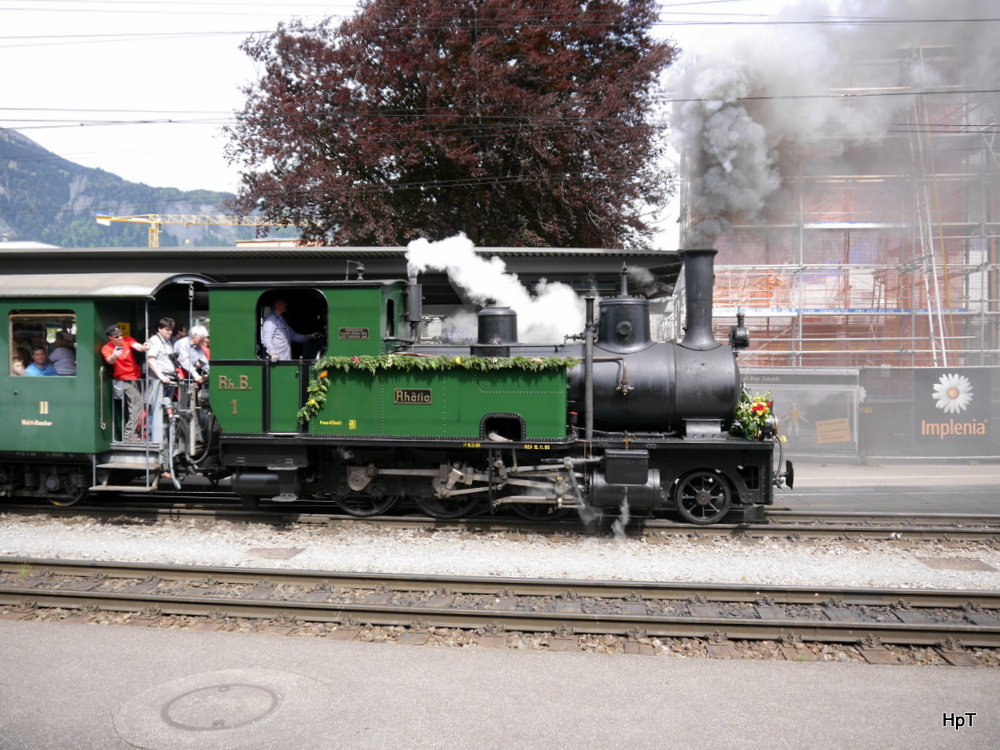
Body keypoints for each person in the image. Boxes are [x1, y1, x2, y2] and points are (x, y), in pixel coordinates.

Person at [102, 324, 147, 441]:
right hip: (125, 380)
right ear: (109, 337)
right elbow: (109, 361)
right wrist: (114, 356)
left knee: (136, 405)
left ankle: (134, 432)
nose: (120, 338)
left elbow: (136, 346)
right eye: (117, 336)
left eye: (121, 335)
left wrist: (144, 347)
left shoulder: (127, 340)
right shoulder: (107, 348)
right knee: (137, 404)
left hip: (136, 377)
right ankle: (129, 434)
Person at [144, 318, 177, 456]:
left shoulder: (167, 341)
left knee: (163, 410)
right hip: (159, 380)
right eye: (166, 330)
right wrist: (161, 376)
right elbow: (151, 360)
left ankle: (160, 437)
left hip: (168, 378)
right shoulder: (155, 341)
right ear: (159, 329)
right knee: (155, 410)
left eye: (171, 330)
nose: (169, 332)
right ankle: (152, 440)